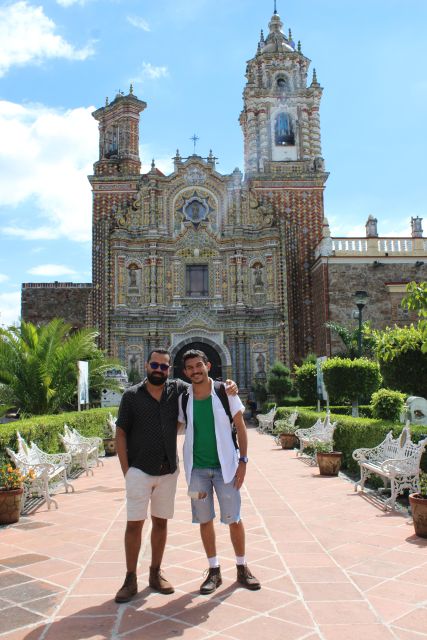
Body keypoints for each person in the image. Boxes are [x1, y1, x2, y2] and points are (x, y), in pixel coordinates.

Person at [114, 348, 237, 604]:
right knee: (134, 524)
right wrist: (127, 471)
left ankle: (155, 573)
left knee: (161, 523)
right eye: (155, 366)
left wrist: (228, 385)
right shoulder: (132, 395)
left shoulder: (177, 390)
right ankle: (129, 578)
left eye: (164, 367)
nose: (159, 370)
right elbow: (121, 433)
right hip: (139, 469)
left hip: (168, 470)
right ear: (147, 366)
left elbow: (203, 382)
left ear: (170, 371)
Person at [178, 349, 261, 594]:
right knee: (204, 519)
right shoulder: (184, 397)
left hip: (226, 468)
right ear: (185, 372)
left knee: (233, 518)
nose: (195, 371)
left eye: (198, 365)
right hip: (196, 472)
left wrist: (243, 461)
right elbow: (175, 423)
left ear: (208, 365)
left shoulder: (225, 391)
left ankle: (242, 566)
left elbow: (241, 426)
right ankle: (213, 570)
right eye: (190, 368)